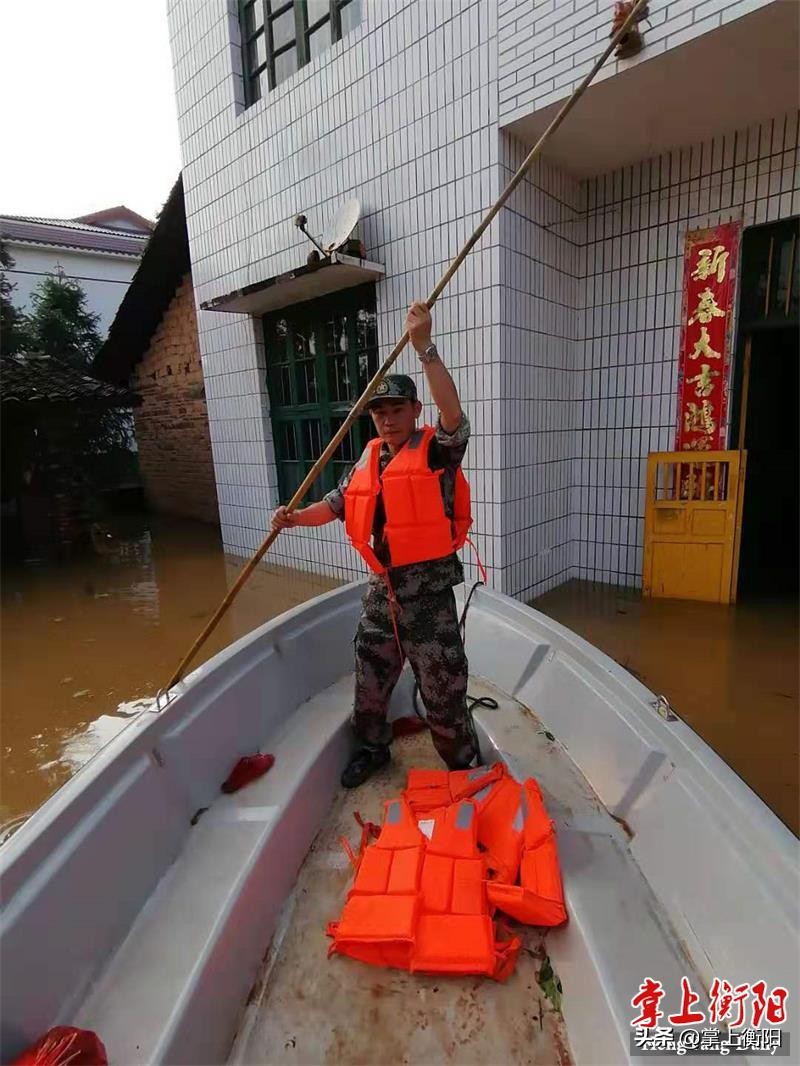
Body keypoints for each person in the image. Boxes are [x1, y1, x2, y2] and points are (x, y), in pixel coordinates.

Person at [271, 301, 478, 787]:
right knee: (369, 680)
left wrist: (424, 346)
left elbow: (454, 413)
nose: (387, 420)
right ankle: (372, 747)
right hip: (381, 593)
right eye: (379, 413)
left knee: (443, 689)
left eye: (396, 410)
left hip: (428, 598)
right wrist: (295, 518)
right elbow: (336, 504)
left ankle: (462, 768)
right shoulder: (366, 462)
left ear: (414, 411)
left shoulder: (436, 450)